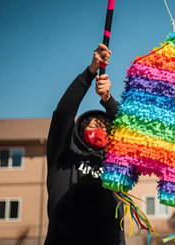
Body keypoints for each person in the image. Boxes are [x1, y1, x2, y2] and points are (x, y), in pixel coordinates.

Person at [45, 44, 125, 245]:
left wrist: (108, 100)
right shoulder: (62, 156)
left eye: (104, 126)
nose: (99, 129)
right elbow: (63, 113)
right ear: (79, 130)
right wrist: (90, 72)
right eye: (93, 124)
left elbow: (129, 134)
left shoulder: (116, 163)